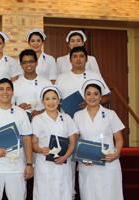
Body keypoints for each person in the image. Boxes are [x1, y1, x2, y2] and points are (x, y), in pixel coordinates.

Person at [55, 46, 111, 199]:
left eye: (81, 56)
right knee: (68, 163)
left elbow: (106, 97)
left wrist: (91, 103)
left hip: (88, 125)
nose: (78, 59)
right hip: (66, 125)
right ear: (70, 59)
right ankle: (69, 195)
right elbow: (56, 100)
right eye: (75, 56)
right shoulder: (62, 77)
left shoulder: (95, 75)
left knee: (88, 161)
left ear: (87, 59)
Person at [73, 79, 124, 200]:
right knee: (89, 194)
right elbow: (76, 140)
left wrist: (116, 154)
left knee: (110, 194)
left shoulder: (110, 114)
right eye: (88, 94)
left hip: (108, 161)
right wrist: (79, 156)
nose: (92, 97)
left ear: (101, 96)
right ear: (84, 96)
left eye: (96, 94)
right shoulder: (78, 115)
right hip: (87, 163)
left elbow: (119, 139)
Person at [32, 86, 78, 200]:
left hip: (63, 162)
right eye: (47, 99)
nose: (51, 102)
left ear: (59, 100)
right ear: (42, 102)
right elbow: (33, 143)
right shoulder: (38, 119)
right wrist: (41, 150)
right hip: (44, 163)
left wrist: (65, 157)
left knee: (63, 191)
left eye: (54, 98)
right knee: (44, 193)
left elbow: (73, 142)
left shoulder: (67, 118)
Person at [13, 49, 53, 120]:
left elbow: (55, 105)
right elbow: (9, 109)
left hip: (44, 122)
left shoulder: (47, 83)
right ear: (21, 65)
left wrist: (41, 112)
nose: (28, 64)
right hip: (23, 123)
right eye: (25, 62)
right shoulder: (14, 85)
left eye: (31, 61)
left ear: (36, 63)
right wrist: (18, 109)